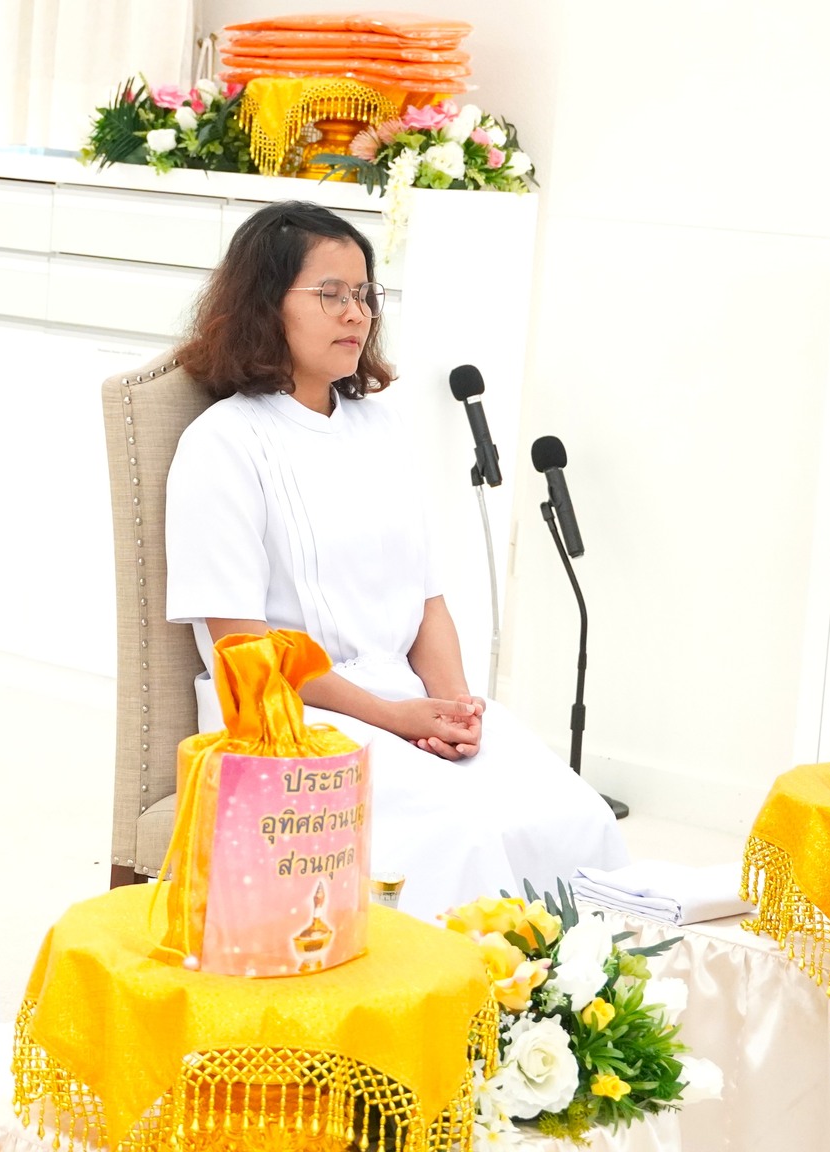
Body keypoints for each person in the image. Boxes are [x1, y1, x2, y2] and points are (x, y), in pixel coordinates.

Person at [163, 200, 626, 919]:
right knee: (466, 835)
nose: (356, 314)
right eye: (331, 294)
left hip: (404, 698)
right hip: (286, 719)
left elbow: (426, 601)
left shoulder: (382, 429)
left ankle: (577, 1028)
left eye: (365, 294)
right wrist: (396, 716)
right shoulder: (222, 444)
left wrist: (454, 708)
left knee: (572, 814)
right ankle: (464, 1024)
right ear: (264, 304)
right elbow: (243, 651)